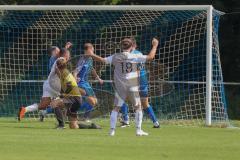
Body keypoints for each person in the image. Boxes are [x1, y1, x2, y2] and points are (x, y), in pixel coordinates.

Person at [87, 37, 159, 136]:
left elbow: (102, 60)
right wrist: (155, 45)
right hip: (132, 86)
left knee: (116, 108)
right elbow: (151, 57)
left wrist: (91, 54)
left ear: (121, 46)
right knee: (138, 107)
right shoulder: (135, 56)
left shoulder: (116, 56)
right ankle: (138, 130)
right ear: (132, 46)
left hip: (121, 87)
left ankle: (112, 131)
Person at [17, 42, 72, 121]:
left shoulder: (57, 58)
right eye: (57, 50)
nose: (58, 51)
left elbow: (63, 54)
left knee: (43, 105)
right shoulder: (58, 58)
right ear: (54, 52)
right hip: (55, 85)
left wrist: (66, 48)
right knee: (68, 100)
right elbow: (60, 65)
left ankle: (25, 110)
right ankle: (66, 120)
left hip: (48, 83)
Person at [120, 38, 160, 128]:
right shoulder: (139, 53)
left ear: (131, 45)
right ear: (135, 45)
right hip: (143, 80)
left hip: (134, 80)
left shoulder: (128, 55)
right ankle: (155, 122)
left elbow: (136, 69)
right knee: (145, 103)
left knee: (121, 98)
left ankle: (126, 120)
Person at [73, 43, 103, 122]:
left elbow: (91, 68)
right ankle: (73, 111)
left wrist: (97, 77)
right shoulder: (82, 59)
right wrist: (75, 80)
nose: (93, 52)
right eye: (92, 50)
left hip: (86, 83)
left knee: (94, 101)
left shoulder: (90, 59)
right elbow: (76, 71)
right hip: (80, 83)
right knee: (92, 101)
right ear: (87, 50)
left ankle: (83, 116)